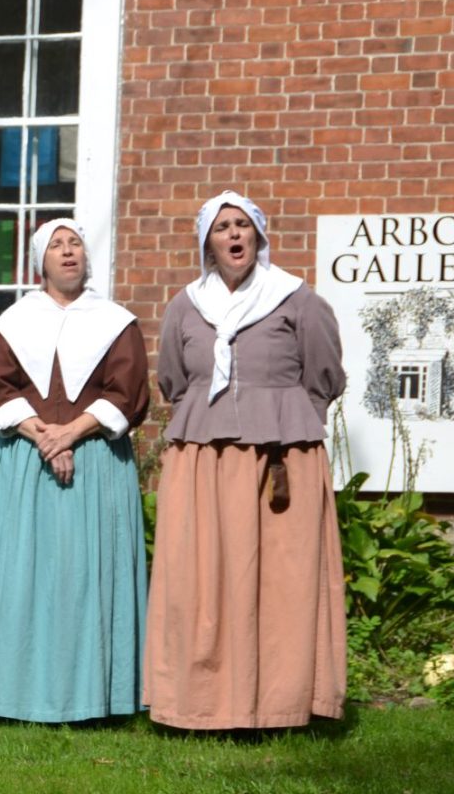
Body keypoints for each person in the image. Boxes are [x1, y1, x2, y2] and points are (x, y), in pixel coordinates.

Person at [146, 191, 347, 729]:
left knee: (281, 581)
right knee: (202, 577)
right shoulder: (185, 304)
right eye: (221, 227)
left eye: (242, 226)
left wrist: (280, 418)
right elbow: (173, 379)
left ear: (258, 236)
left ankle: (278, 703)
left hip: (282, 459)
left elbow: (324, 375)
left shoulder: (297, 300)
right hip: (201, 460)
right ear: (206, 242)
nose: (233, 235)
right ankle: (201, 703)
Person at [0, 219, 150, 722]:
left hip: (95, 463)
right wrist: (44, 434)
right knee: (22, 580)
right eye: (57, 246)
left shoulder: (115, 322)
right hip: (25, 459)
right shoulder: (15, 321)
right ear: (39, 263)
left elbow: (127, 392)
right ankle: (12, 692)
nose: (68, 252)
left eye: (76, 244)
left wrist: (71, 433)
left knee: (86, 578)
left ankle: (94, 695)